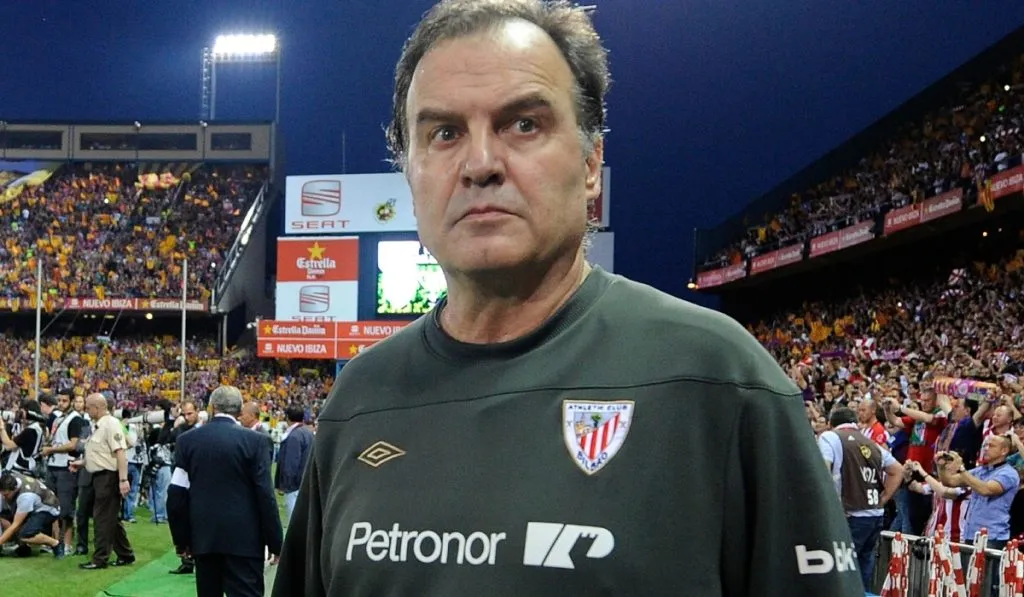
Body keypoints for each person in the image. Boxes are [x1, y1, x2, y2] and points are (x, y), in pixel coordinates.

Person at [273, 1, 863, 595]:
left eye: (522, 124)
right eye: (444, 133)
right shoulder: (361, 397)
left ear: (590, 163)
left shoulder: (717, 379)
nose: (480, 164)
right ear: (410, 170)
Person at [167, 386, 283, 597]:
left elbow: (176, 494)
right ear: (239, 410)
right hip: (245, 540)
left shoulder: (187, 441)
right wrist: (276, 542)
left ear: (211, 408)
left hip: (204, 539)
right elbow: (265, 495)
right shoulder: (256, 442)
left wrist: (181, 540)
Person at [74, 393, 134, 570]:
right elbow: (100, 453)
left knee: (101, 518)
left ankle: (100, 558)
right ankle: (125, 554)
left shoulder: (111, 424)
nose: (86, 410)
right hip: (99, 476)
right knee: (110, 518)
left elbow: (120, 452)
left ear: (97, 408)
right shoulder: (98, 426)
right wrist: (83, 463)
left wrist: (123, 479)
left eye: (88, 407)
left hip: (108, 477)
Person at [274, 405, 314, 522]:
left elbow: (291, 464)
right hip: (306, 482)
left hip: (294, 486)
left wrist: (285, 485)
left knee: (295, 520)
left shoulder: (294, 436)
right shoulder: (308, 433)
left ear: (287, 418)